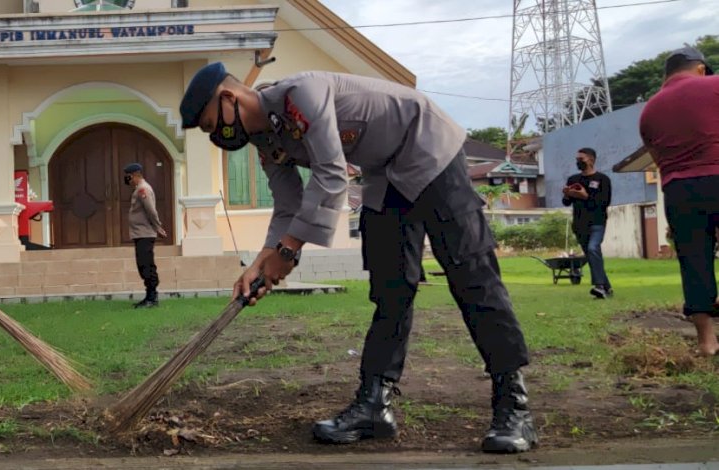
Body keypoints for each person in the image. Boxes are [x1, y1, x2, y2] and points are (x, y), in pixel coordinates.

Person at [180, 63, 536, 453]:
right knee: (390, 287)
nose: (218, 135)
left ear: (229, 97)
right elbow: (287, 207)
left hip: (428, 146)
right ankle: (374, 406)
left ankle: (513, 405)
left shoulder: (302, 92)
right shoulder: (266, 141)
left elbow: (331, 175)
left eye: (213, 123)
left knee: (471, 273)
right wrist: (262, 263)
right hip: (384, 172)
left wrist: (289, 250)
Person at [639, 46, 719, 356]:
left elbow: (659, 161)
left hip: (679, 190)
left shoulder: (649, 110)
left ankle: (706, 341)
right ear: (700, 68)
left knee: (693, 260)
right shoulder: (713, 85)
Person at [562, 147, 613, 298]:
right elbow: (566, 202)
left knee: (592, 249)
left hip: (597, 222)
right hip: (579, 224)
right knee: (592, 255)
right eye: (577, 160)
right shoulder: (573, 180)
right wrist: (567, 194)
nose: (578, 162)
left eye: (581, 159)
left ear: (591, 160)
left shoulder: (602, 179)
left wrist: (585, 196)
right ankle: (607, 287)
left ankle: (599, 287)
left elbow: (604, 202)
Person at [124, 162, 167, 308]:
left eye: (128, 177)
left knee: (147, 264)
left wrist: (158, 227)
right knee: (142, 264)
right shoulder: (139, 188)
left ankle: (152, 298)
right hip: (140, 233)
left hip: (145, 233)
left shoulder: (143, 189)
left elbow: (151, 211)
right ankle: (149, 296)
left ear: (135, 175)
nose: (127, 180)